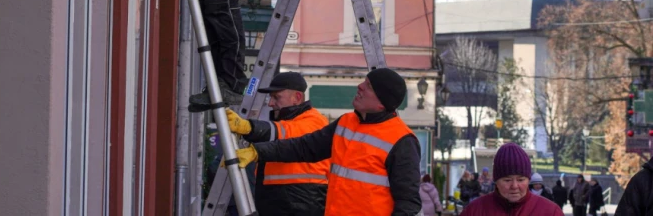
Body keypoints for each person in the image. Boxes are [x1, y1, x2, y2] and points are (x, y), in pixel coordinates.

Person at [233, 67, 422, 215]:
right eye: (364, 81)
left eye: (369, 86)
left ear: (382, 102)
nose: (360, 87)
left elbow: (408, 203)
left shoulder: (402, 140)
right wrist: (258, 152)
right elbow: (303, 147)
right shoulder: (346, 123)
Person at [225, 72, 329, 216]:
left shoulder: (315, 121)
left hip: (302, 202)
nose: (270, 103)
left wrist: (249, 127)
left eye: (276, 97)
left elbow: (286, 133)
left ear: (297, 98)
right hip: (285, 200)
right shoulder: (289, 122)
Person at [459, 142, 564, 216]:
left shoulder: (551, 212)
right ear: (496, 181)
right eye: (507, 180)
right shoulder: (474, 211)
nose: (514, 186)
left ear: (528, 180)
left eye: (521, 180)